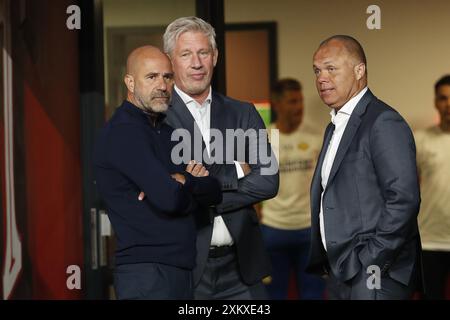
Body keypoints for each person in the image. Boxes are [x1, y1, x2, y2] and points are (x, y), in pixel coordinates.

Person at [161, 16, 279, 299]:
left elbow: (268, 181)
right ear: (170, 61)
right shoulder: (157, 118)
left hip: (242, 268)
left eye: (203, 52)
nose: (197, 63)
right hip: (187, 269)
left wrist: (202, 187)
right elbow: (166, 191)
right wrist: (237, 170)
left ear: (215, 56)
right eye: (186, 54)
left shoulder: (243, 113)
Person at [93, 46, 222, 300]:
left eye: (167, 77)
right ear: (130, 82)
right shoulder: (124, 132)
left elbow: (214, 190)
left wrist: (184, 180)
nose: (162, 85)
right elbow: (169, 198)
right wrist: (185, 185)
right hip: (147, 274)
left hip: (179, 270)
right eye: (151, 77)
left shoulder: (168, 132)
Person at [306, 35, 422, 299]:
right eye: (317, 70)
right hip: (341, 271)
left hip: (373, 274)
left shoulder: (383, 121)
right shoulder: (335, 125)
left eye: (331, 68)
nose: (321, 78)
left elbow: (404, 200)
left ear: (359, 70)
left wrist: (370, 260)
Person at [259, 78, 325, 299]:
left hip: (308, 230)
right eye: (292, 102)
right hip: (273, 229)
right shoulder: (266, 138)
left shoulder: (315, 137)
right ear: (277, 104)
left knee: (313, 294)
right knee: (273, 295)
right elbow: (250, 182)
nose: (299, 107)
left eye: (300, 101)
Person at [415, 75, 450, 300]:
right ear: (435, 102)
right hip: (429, 241)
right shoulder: (421, 140)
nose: (448, 104)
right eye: (443, 98)